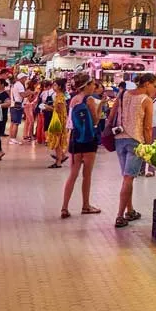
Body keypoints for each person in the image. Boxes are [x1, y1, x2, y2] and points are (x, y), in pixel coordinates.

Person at [111, 72, 156, 228]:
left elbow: (114, 111)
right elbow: (147, 127)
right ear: (146, 84)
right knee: (128, 178)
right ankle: (119, 215)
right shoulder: (147, 100)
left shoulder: (124, 94)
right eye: (155, 85)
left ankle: (130, 210)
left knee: (127, 177)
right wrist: (149, 146)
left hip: (119, 139)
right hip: (136, 142)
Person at [60, 74, 101, 218]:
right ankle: (86, 205)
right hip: (89, 139)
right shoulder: (89, 100)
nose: (94, 87)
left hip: (75, 139)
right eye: (93, 84)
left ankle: (64, 207)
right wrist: (100, 107)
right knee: (87, 175)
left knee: (73, 174)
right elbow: (95, 121)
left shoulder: (73, 100)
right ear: (87, 85)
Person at [46, 79, 68, 168]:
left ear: (59, 86)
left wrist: (49, 108)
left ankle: (58, 161)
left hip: (59, 120)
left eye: (55, 85)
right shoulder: (58, 96)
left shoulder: (59, 96)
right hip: (59, 119)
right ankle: (61, 156)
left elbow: (59, 109)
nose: (53, 87)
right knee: (57, 140)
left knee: (57, 141)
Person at [8, 72, 26, 144]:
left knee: (12, 122)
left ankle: (11, 138)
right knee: (16, 123)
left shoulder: (14, 85)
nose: (26, 79)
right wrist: (31, 92)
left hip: (13, 105)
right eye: (25, 78)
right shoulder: (20, 85)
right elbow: (23, 95)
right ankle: (13, 138)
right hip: (18, 106)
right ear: (21, 78)